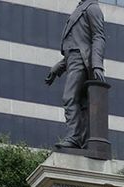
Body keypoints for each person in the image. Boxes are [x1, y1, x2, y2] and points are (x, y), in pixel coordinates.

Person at [44, 0, 106, 149]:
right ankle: (82, 140)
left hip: (81, 61)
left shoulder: (92, 8)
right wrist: (58, 68)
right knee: (81, 103)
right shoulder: (81, 8)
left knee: (69, 97)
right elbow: (74, 48)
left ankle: (74, 137)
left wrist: (97, 65)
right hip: (74, 60)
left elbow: (98, 37)